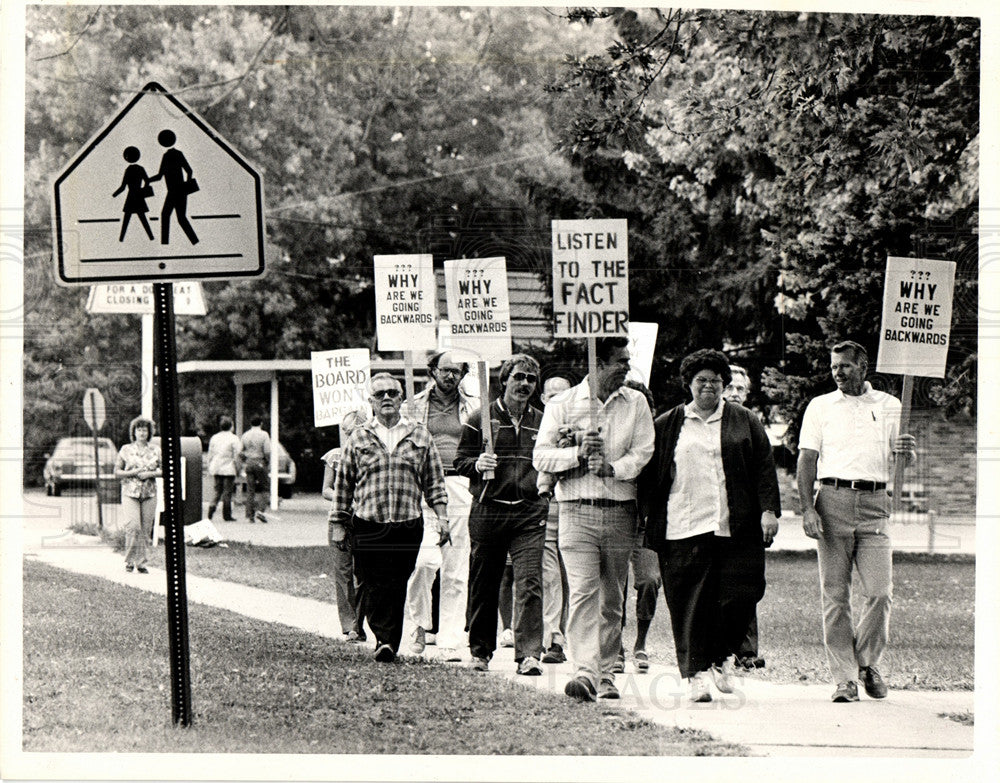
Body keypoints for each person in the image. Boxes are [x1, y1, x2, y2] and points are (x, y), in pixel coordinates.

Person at [639, 349, 780, 703]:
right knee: (689, 603)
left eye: (715, 382)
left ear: (724, 385)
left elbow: (764, 468)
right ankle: (695, 674)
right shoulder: (668, 423)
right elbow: (648, 472)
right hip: (682, 526)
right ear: (688, 384)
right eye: (701, 381)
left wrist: (769, 512)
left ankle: (722, 657)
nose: (708, 388)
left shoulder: (744, 420)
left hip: (734, 526)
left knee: (741, 594)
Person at [533, 337, 655, 702]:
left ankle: (605, 673)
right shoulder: (564, 404)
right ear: (598, 363)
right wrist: (575, 454)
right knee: (584, 591)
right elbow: (541, 457)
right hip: (575, 509)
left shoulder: (635, 403)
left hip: (620, 511)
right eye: (620, 361)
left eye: (628, 360)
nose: (626, 367)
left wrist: (613, 468)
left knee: (612, 597)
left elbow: (644, 451)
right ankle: (585, 672)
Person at [797, 341, 916, 703]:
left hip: (875, 504)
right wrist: (807, 508)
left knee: (880, 592)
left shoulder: (890, 406)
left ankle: (866, 663)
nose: (838, 372)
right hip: (831, 500)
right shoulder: (820, 406)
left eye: (845, 366)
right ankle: (844, 678)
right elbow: (806, 460)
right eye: (834, 366)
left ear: (863, 367)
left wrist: (906, 455)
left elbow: (900, 460)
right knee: (835, 595)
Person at [329, 373, 450, 662]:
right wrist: (338, 524)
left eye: (392, 393)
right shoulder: (358, 437)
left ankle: (387, 641)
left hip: (407, 522)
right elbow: (343, 483)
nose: (386, 398)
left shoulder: (420, 434)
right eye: (379, 394)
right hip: (368, 521)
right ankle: (384, 638)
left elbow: (434, 481)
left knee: (396, 581)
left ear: (401, 399)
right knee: (371, 581)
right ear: (370, 401)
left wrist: (443, 517)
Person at [455, 354, 547, 675]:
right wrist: (478, 464)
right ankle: (480, 651)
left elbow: (553, 458)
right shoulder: (481, 418)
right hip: (488, 510)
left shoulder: (544, 419)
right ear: (504, 379)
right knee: (485, 582)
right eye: (519, 377)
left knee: (530, 582)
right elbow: (460, 461)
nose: (524, 384)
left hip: (529, 513)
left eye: (531, 379)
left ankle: (529, 654)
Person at [402, 351, 476, 661]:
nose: (450, 376)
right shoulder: (413, 405)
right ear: (433, 371)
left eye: (456, 372)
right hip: (422, 486)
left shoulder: (473, 406)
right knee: (423, 563)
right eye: (444, 370)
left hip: (460, 484)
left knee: (456, 567)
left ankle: (449, 639)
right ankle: (419, 623)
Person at [723, 365, 767, 671]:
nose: (735, 393)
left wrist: (766, 511)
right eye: (731, 387)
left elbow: (764, 472)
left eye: (741, 388)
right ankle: (719, 648)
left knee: (746, 583)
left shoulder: (752, 424)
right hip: (710, 516)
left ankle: (747, 650)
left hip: (745, 519)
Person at [321, 409, 369, 642]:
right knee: (343, 573)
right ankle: (349, 625)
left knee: (364, 573)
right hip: (340, 519)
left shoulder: (371, 456)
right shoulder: (335, 457)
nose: (352, 437)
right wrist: (345, 497)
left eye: (358, 432)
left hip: (365, 520)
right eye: (349, 433)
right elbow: (326, 490)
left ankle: (359, 623)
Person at [537, 374, 572, 665]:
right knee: (549, 575)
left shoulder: (577, 426)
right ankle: (552, 637)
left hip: (572, 506)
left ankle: (563, 634)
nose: (556, 400)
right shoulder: (539, 424)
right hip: (544, 506)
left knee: (571, 573)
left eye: (564, 394)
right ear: (543, 398)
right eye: (552, 394)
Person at [114, 416, 162, 574]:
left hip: (149, 492)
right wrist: (133, 472)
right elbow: (117, 472)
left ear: (149, 432)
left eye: (145, 430)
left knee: (145, 528)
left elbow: (165, 471)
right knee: (133, 526)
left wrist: (149, 474)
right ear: (133, 432)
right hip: (130, 492)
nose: (142, 433)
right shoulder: (126, 449)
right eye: (139, 430)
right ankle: (129, 560)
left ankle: (141, 562)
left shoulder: (156, 450)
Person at [148, 128, 199, 245]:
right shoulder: (174, 155)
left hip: (175, 191)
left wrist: (148, 180)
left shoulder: (168, 156)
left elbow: (160, 176)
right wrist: (186, 185)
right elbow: (189, 171)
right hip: (176, 191)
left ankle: (192, 242)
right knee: (174, 217)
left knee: (173, 216)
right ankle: (167, 243)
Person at [111, 146, 155, 241]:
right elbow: (147, 181)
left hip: (131, 196)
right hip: (138, 196)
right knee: (142, 218)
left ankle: (121, 238)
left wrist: (114, 195)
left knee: (127, 219)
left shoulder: (129, 170)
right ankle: (151, 237)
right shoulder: (140, 169)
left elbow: (123, 187)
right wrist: (143, 189)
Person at [205, 415, 242, 522]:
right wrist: (238, 469)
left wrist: (209, 466)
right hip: (228, 468)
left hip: (216, 467)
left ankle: (211, 510)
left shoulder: (214, 437)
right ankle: (227, 515)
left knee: (217, 490)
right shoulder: (234, 438)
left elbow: (210, 454)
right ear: (231, 426)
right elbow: (237, 454)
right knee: (227, 492)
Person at [240, 415, 271, 523]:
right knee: (265, 488)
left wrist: (246, 459)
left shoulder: (245, 435)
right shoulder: (264, 435)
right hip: (260, 462)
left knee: (250, 490)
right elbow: (267, 451)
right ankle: (260, 511)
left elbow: (240, 452)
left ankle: (250, 515)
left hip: (249, 463)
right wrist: (267, 462)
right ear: (261, 423)